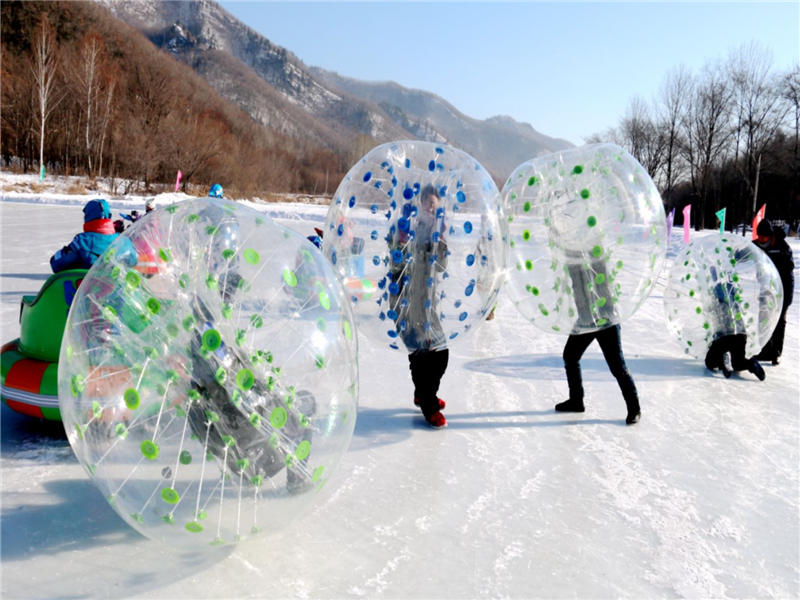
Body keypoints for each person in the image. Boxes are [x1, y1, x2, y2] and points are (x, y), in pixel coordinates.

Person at [554, 250, 641, 425]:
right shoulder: (572, 259)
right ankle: (576, 401)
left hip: (605, 319)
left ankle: (634, 408)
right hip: (586, 320)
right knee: (570, 356)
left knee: (617, 366)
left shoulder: (596, 255)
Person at [391, 184, 449, 429]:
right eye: (428, 203)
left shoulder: (436, 231)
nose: (431, 208)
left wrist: (441, 242)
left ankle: (423, 394)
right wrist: (402, 242)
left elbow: (441, 269)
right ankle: (429, 406)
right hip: (407, 302)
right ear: (420, 203)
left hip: (428, 304)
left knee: (441, 353)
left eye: (435, 204)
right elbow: (396, 266)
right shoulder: (407, 227)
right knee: (420, 356)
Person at [50, 199, 137, 273]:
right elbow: (134, 261)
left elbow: (56, 263)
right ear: (109, 216)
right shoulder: (123, 240)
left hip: (85, 291)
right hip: (115, 291)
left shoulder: (81, 241)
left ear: (88, 217)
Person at [754, 219, 794, 365]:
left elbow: (789, 269)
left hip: (783, 288)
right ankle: (764, 350)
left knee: (779, 321)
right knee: (763, 317)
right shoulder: (757, 245)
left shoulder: (782, 247)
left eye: (764, 237)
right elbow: (743, 253)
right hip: (765, 288)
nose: (761, 239)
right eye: (759, 236)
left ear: (771, 235)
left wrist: (786, 298)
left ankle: (775, 353)